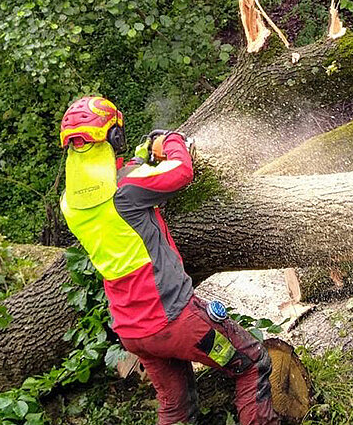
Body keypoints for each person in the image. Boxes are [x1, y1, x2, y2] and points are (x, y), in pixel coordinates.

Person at [58, 95, 279, 425]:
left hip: (133, 332)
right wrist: (173, 141)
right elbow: (180, 171)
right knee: (251, 363)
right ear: (113, 137)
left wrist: (145, 154)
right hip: (176, 322)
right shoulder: (127, 187)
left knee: (176, 407)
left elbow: (123, 177)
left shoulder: (70, 204)